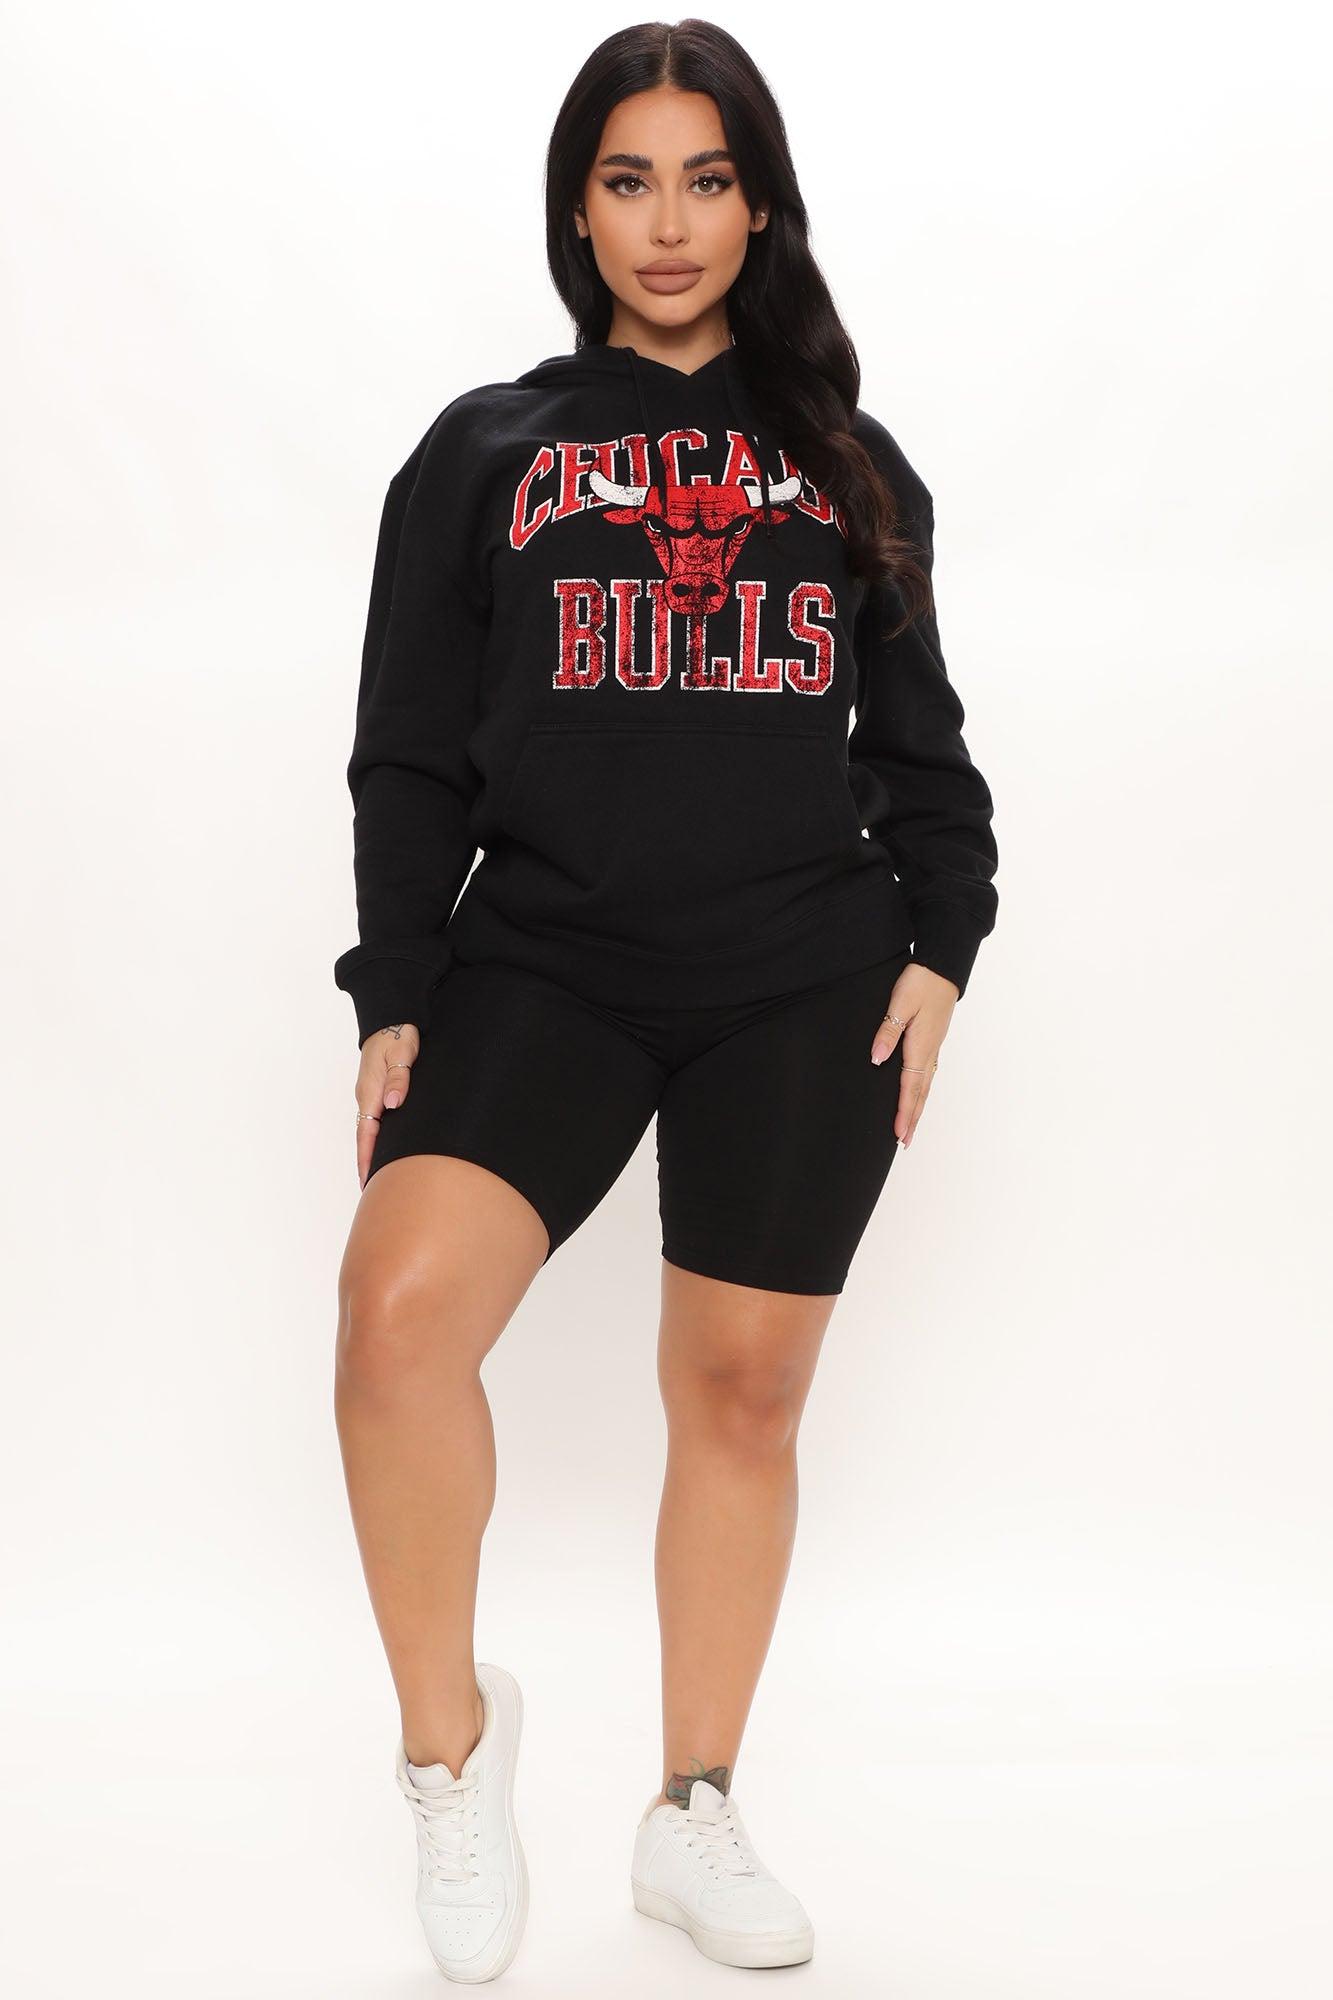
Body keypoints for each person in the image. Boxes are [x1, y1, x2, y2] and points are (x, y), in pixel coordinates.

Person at [332, 19, 999, 1984]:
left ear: (760, 207)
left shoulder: (845, 466)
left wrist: (940, 946)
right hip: (543, 965)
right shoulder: (486, 452)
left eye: (707, 180)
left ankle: (689, 1808)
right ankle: (452, 1757)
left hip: (799, 976)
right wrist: (394, 985)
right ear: (576, 211)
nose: (669, 221)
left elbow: (923, 756)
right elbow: (407, 751)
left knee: (739, 1393)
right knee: (395, 1323)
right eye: (627, 180)